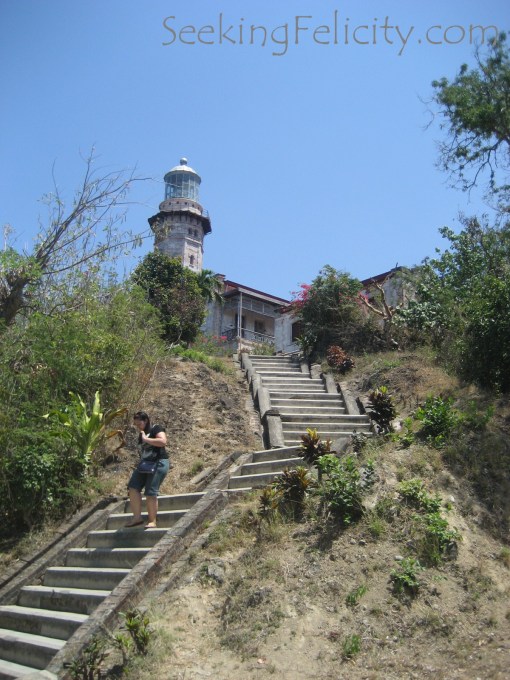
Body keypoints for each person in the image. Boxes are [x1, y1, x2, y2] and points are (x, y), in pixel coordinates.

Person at [126, 411, 170, 529]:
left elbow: (163, 442)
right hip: (145, 465)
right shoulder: (142, 434)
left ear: (145, 421)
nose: (138, 427)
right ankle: (137, 518)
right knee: (133, 487)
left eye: (139, 424)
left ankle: (152, 521)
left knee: (150, 492)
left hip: (159, 463)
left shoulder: (156, 428)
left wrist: (146, 439)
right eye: (136, 425)